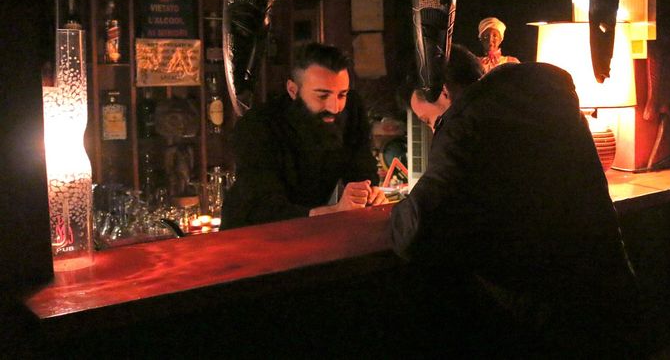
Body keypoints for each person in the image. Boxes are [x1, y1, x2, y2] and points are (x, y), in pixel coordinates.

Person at [390, 45, 641, 357]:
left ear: (443, 92)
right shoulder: (549, 99)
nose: (434, 130)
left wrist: (392, 215)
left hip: (545, 317)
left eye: (430, 121)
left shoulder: (466, 124)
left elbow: (415, 229)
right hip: (609, 290)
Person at [221, 44, 386, 230]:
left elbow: (362, 167)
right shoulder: (257, 126)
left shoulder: (351, 109)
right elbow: (265, 206)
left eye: (342, 94)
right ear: (293, 90)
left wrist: (367, 192)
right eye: (322, 96)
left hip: (314, 228)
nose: (334, 107)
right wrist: (335, 211)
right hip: (251, 232)